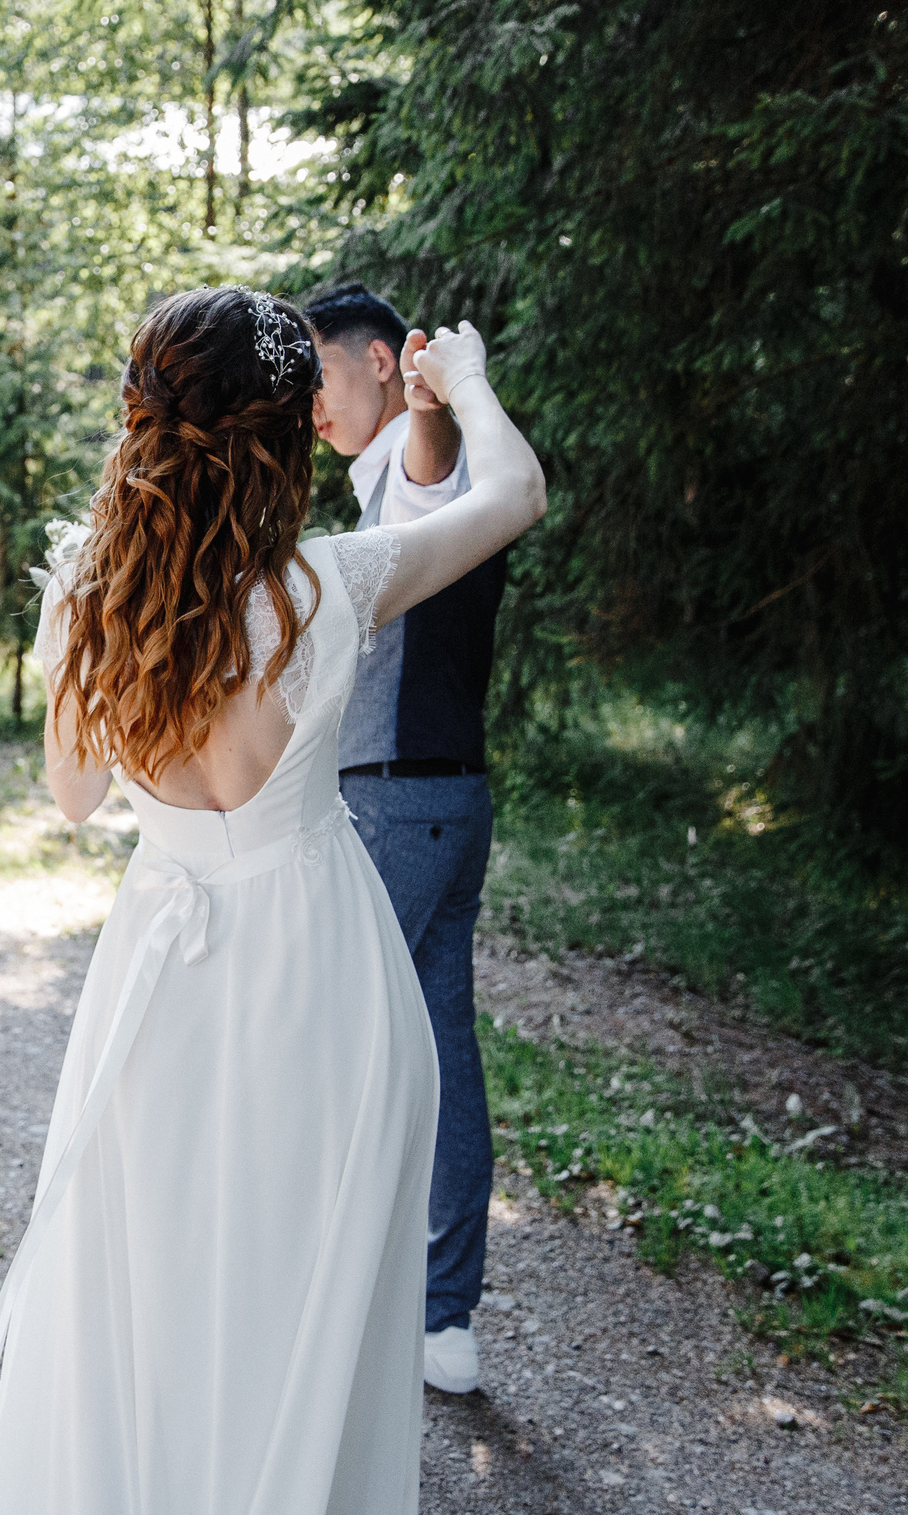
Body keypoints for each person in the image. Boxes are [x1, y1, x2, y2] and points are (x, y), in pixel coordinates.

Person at [0, 287, 545, 1515]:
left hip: (164, 975)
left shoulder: (93, 593)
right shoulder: (327, 584)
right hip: (319, 977)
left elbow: (74, 798)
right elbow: (512, 492)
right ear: (288, 439)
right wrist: (474, 385)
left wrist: (104, 576)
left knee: (148, 1306)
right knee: (296, 1318)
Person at [304, 281, 506, 1397]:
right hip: (446, 797)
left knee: (334, 1036)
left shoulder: (415, 456)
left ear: (382, 364)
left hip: (397, 796)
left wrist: (432, 397)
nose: (310, 408)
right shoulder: (379, 469)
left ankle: (374, 1303)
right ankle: (441, 1314)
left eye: (322, 380)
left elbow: (426, 461)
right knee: (440, 1045)